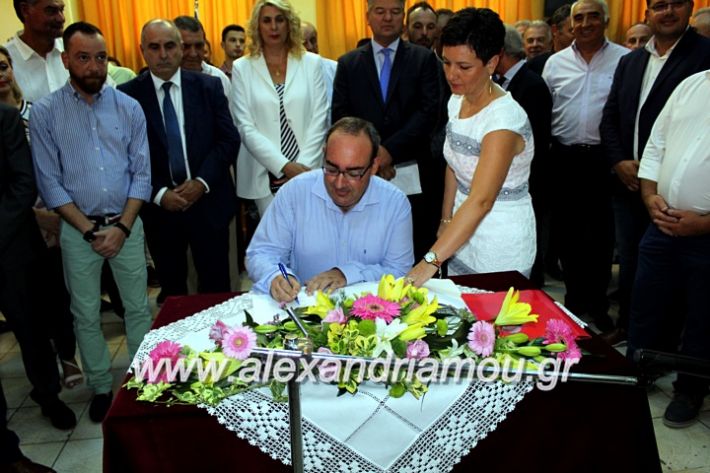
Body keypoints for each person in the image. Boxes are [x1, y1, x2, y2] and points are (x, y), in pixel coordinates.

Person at [30, 22, 154, 423]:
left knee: (137, 308)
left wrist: (122, 228)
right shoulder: (46, 112)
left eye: (100, 57)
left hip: (126, 225)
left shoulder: (129, 108)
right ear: (66, 59)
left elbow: (142, 175)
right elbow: (49, 181)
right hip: (77, 229)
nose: (94, 66)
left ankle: (142, 381)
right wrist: (89, 230)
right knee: (84, 313)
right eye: (83, 57)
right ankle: (101, 386)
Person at [599, 0, 710, 344]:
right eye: (660, 5)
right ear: (647, 13)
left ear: (690, 9)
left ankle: (677, 354)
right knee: (637, 275)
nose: (668, 12)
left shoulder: (703, 56)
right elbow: (614, 118)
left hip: (693, 218)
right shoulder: (634, 61)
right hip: (637, 191)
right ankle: (634, 339)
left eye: (676, 4)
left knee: (693, 304)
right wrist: (622, 163)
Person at [406, 8, 536, 286]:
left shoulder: (503, 121)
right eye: (446, 62)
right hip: (461, 231)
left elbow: (481, 200)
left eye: (464, 67)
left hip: (499, 239)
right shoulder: (458, 99)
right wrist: (446, 220)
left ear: (492, 63)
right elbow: (454, 165)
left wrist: (428, 263)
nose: (452, 74)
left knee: (491, 311)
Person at [118, 19, 238, 301]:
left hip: (208, 203)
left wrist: (201, 182)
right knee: (173, 293)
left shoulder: (208, 87)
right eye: (154, 47)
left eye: (170, 46)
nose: (163, 54)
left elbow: (228, 140)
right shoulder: (127, 96)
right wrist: (160, 194)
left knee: (216, 290)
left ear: (181, 48)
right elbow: (124, 156)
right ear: (142, 51)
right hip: (160, 210)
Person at [247, 117, 413, 302]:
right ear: (324, 155)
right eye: (332, 169)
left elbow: (400, 273)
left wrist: (347, 274)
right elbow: (261, 253)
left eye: (353, 173)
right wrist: (275, 276)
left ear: (374, 166)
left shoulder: (395, 203)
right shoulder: (294, 193)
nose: (340, 183)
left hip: (372, 312)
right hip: (304, 308)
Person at [629, 70, 710, 428]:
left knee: (703, 318)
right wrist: (649, 196)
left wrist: (705, 223)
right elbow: (656, 144)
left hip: (706, 234)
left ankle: (690, 390)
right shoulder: (691, 84)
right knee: (646, 304)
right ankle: (637, 372)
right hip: (660, 224)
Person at [0, 45, 83, 390]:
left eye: (3, 66)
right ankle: (46, 370)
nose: (1, 74)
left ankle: (67, 355)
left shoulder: (36, 112)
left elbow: (58, 161)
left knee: (57, 295)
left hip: (55, 213)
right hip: (19, 224)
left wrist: (57, 211)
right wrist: (33, 217)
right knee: (29, 308)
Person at [542, 0, 629, 332]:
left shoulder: (624, 59)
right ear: (570, 24)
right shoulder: (555, 63)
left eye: (594, 16)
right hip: (564, 159)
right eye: (579, 18)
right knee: (568, 235)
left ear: (605, 21)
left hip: (605, 160)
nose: (586, 23)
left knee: (602, 238)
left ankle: (598, 304)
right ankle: (574, 303)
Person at [332, 0, 441, 261]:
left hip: (413, 168)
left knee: (415, 243)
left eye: (395, 12)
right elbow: (342, 117)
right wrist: (373, 155)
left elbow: (429, 112)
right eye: (380, 12)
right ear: (367, 16)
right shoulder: (348, 63)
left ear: (403, 16)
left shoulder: (423, 59)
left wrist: (388, 151)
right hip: (362, 171)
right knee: (367, 243)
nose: (388, 18)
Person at [231, 0, 328, 217]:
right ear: (257, 26)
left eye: (279, 20)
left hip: (309, 169)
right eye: (266, 21)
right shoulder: (242, 68)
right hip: (264, 174)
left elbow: (319, 118)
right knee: (275, 235)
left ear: (289, 24)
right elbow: (245, 126)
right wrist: (284, 166)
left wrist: (301, 168)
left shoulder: (312, 63)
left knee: (312, 232)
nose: (273, 27)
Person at [494, 25, 552, 287]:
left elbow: (533, 141)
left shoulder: (531, 85)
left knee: (527, 252)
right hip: (507, 184)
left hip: (527, 182)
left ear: (500, 52)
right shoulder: (504, 83)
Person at [4, 0, 67, 103]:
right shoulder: (5, 61)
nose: (62, 18)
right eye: (51, 11)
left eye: (62, 10)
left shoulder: (76, 50)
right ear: (25, 10)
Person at [174, 16, 231, 97]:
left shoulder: (219, 77)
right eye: (186, 47)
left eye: (198, 46)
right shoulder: (164, 78)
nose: (193, 54)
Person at [527, 5, 574, 75]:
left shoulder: (586, 62)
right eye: (572, 31)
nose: (578, 36)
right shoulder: (536, 66)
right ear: (555, 30)